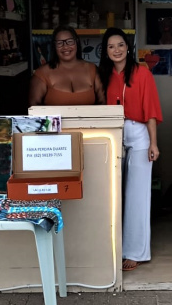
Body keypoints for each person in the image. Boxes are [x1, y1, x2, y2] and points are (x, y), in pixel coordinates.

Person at [99, 28, 162, 272]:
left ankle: (136, 251)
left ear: (128, 47)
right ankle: (113, 247)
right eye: (111, 46)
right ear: (105, 51)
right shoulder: (103, 75)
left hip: (138, 133)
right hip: (111, 132)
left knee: (137, 194)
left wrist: (153, 143)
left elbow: (151, 111)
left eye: (120, 45)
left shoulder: (142, 73)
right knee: (112, 192)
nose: (116, 50)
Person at [29, 25, 104, 106]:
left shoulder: (92, 69)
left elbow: (103, 104)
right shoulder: (42, 73)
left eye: (70, 41)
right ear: (54, 46)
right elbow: (33, 109)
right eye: (59, 43)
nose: (65, 46)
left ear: (77, 42)